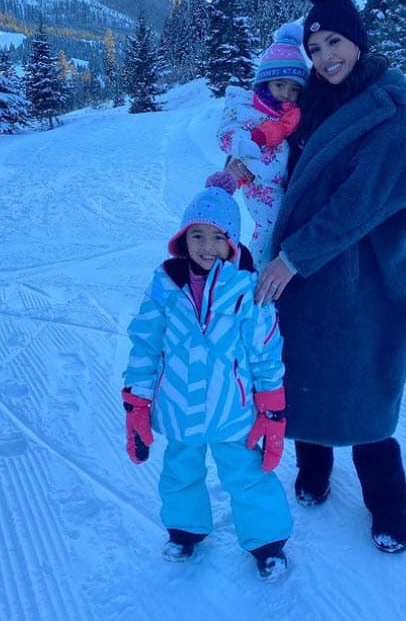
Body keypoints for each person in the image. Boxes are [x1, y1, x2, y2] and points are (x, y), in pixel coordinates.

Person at [254, 0, 406, 554]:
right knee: (304, 376)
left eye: (334, 42)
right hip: (306, 271)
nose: (326, 56)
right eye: (315, 46)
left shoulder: (390, 106)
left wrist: (291, 259)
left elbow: (363, 201)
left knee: (363, 389)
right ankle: (314, 472)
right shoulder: (312, 101)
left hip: (364, 275)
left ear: (358, 39)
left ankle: (389, 506)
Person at [121, 171, 292, 579]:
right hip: (179, 409)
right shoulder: (164, 287)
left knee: (248, 476)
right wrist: (137, 403)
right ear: (183, 240)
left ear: (232, 243)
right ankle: (185, 532)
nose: (207, 246)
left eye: (217, 237)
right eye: (197, 236)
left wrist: (271, 405)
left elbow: (265, 350)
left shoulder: (248, 290)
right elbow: (145, 344)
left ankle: (267, 544)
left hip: (232, 410)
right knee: (180, 473)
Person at [217, 22, 309, 270]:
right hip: (259, 183)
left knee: (278, 229)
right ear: (265, 83)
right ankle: (255, 273)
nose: (286, 94)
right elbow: (226, 135)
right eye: (280, 85)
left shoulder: (291, 117)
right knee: (269, 227)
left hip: (279, 184)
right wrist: (241, 148)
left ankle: (258, 270)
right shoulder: (248, 109)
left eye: (294, 89)